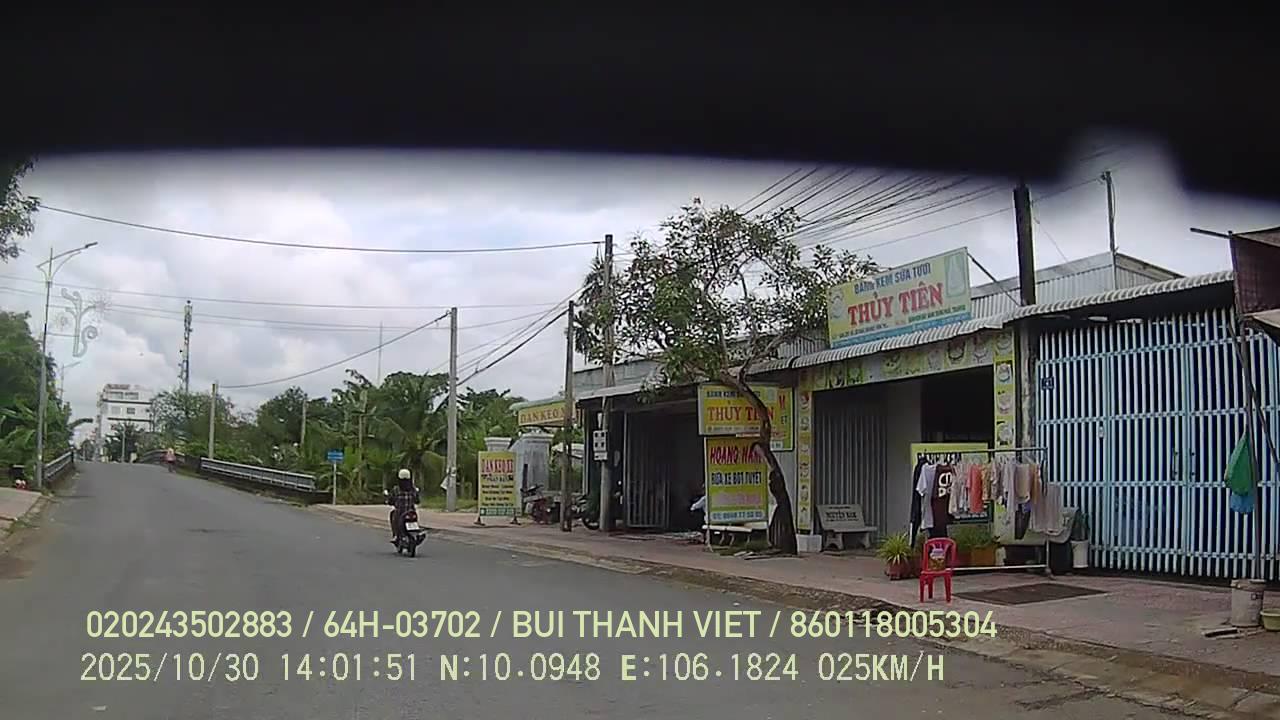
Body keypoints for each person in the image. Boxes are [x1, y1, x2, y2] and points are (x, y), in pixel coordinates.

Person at [387, 468, 420, 543]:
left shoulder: (396, 489)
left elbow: (391, 500)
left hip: (400, 512)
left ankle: (395, 535)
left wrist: (390, 501)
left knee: (393, 516)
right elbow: (417, 500)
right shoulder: (413, 489)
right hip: (411, 511)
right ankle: (416, 532)